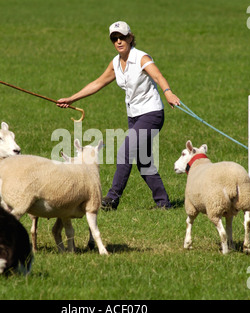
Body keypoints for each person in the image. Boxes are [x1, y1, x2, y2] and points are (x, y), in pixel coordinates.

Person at [57, 21, 181, 210]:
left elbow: (158, 76)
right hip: (134, 117)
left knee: (125, 152)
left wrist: (168, 92)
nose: (118, 41)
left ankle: (112, 198)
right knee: (143, 161)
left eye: (122, 37)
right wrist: (72, 99)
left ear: (131, 37)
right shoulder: (115, 63)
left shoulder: (141, 57)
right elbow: (97, 83)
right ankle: (163, 203)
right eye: (114, 38)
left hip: (151, 114)